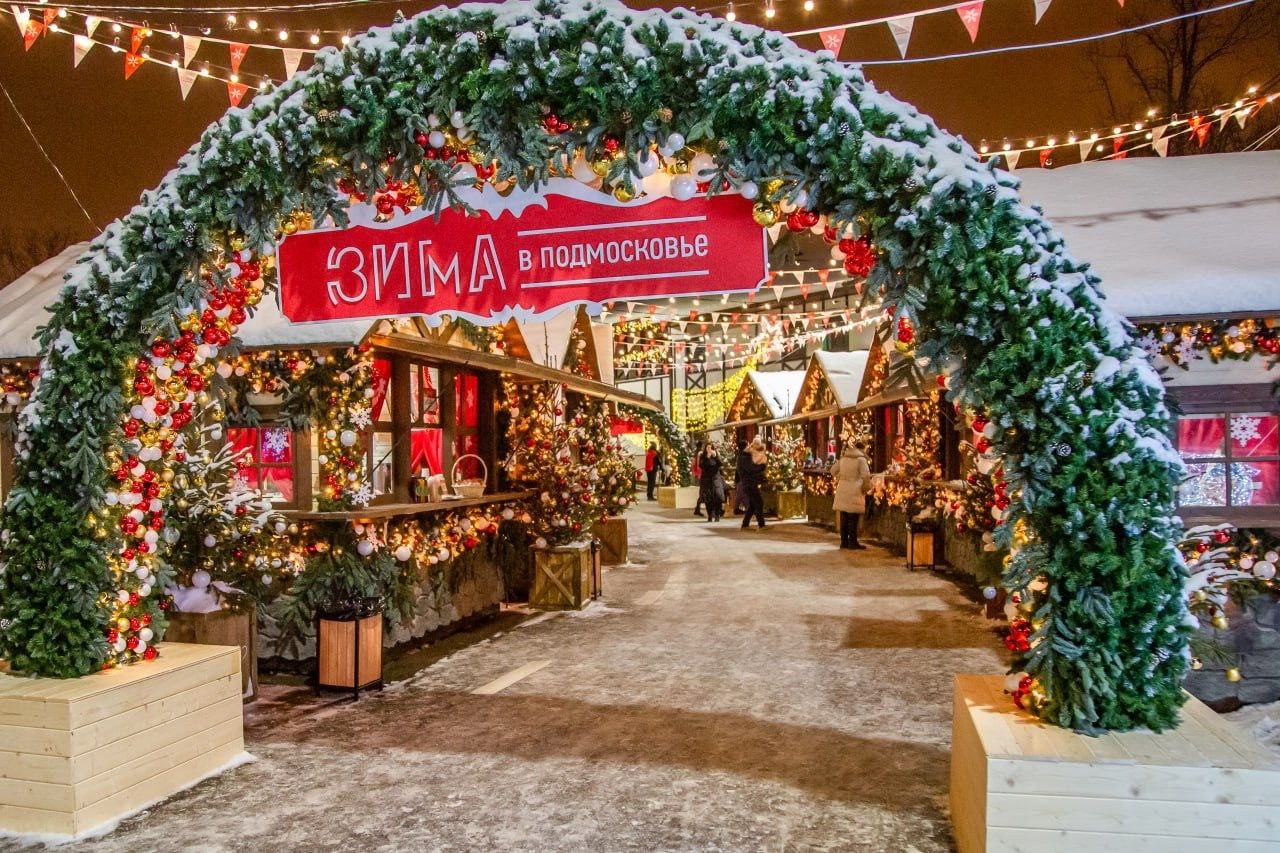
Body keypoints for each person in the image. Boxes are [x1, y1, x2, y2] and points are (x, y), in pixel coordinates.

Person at [831, 441, 872, 549]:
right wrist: (866, 488)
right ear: (862, 449)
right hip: (855, 489)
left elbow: (832, 470)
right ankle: (852, 542)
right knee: (853, 517)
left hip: (842, 489)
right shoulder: (861, 460)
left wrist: (841, 477)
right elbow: (866, 476)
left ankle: (844, 542)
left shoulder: (844, 458)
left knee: (844, 516)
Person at [740, 437, 768, 530]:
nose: (750, 447)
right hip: (749, 483)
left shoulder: (746, 456)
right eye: (748, 445)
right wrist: (762, 466)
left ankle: (745, 524)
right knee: (759, 502)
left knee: (752, 505)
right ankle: (761, 525)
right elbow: (752, 469)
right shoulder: (745, 457)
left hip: (749, 483)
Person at [697, 443, 726, 522]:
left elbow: (720, 464)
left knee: (718, 497)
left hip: (716, 479)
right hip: (706, 480)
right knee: (708, 499)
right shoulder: (703, 456)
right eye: (708, 448)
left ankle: (717, 515)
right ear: (705, 449)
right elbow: (701, 465)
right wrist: (707, 457)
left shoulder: (715, 455)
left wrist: (715, 456)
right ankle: (709, 515)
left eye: (710, 448)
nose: (709, 449)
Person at [732, 438, 749, 514]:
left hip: (740, 478)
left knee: (743, 494)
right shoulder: (742, 456)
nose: (749, 446)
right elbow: (741, 468)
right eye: (747, 445)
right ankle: (736, 508)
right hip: (741, 478)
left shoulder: (741, 455)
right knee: (741, 494)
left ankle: (746, 508)